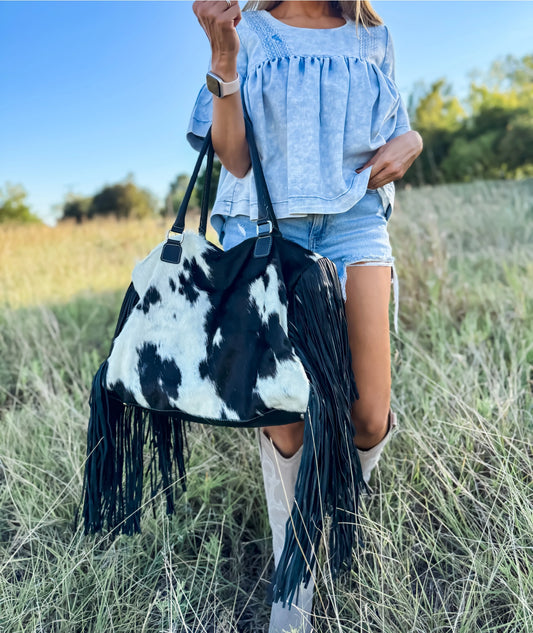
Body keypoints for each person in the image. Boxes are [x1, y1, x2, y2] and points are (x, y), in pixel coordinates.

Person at [189, 1, 423, 631]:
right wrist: (222, 61)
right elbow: (233, 159)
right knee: (289, 420)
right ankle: (294, 583)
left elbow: (395, 124)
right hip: (269, 231)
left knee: (368, 416)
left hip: (355, 223)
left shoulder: (372, 36)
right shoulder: (247, 32)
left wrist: (413, 139)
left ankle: (333, 518)